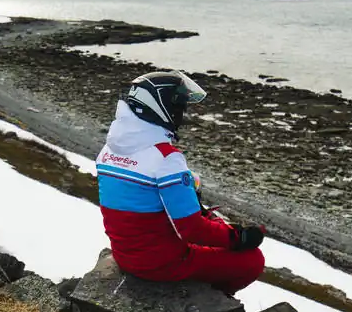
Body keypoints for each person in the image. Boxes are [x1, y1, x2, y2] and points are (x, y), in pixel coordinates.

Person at [96, 70, 266, 295]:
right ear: (163, 108)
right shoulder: (166, 158)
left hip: (127, 255)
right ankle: (215, 301)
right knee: (253, 259)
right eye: (179, 107)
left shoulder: (108, 151)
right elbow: (191, 230)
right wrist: (239, 237)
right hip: (160, 264)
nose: (182, 115)